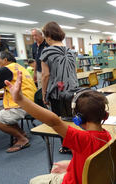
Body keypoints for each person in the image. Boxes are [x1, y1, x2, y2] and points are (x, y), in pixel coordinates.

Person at [4, 72, 111, 184]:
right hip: (94, 183)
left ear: (77, 119)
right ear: (105, 116)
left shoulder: (81, 139)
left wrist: (20, 99)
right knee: (58, 166)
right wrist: (70, 167)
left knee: (34, 182)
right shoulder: (106, 135)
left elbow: (54, 122)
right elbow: (87, 160)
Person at [0, 51, 37, 153]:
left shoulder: (6, 69)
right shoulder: (20, 67)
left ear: (5, 60)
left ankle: (22, 139)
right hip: (31, 102)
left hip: (22, 105)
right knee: (0, 109)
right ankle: (21, 133)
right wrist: (3, 94)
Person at [40, 21, 80, 154]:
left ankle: (66, 146)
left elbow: (45, 75)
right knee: (73, 117)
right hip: (73, 89)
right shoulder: (71, 51)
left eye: (45, 36)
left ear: (49, 36)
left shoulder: (47, 52)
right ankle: (77, 142)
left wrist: (44, 94)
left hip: (57, 91)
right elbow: (74, 71)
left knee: (59, 120)